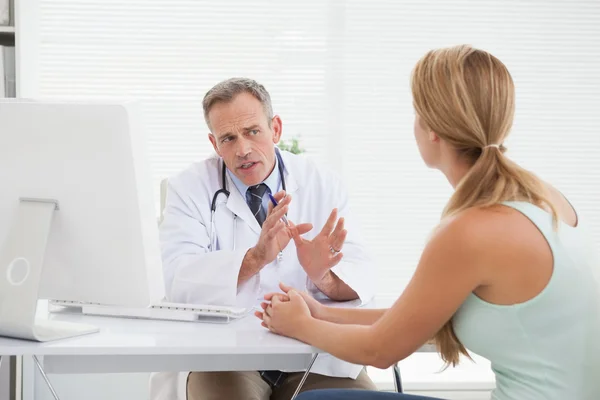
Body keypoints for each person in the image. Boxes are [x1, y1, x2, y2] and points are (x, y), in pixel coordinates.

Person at [257, 45, 600, 400]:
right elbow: (415, 318)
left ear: (433, 129)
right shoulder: (544, 198)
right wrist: (322, 315)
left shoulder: (473, 231)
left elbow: (380, 350)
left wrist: (301, 325)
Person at [152, 77, 377, 400]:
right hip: (225, 358)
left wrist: (323, 277)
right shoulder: (189, 188)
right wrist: (255, 258)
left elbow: (362, 276)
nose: (243, 149)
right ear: (214, 144)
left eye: (252, 132)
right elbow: (175, 279)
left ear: (276, 129)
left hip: (315, 354)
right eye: (228, 138)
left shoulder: (322, 183)